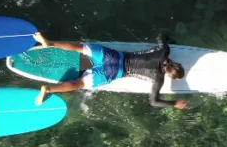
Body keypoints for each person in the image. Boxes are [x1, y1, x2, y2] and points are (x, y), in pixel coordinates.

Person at [32, 32, 189, 109]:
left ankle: (50, 42)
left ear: (175, 64)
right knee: (78, 83)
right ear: (170, 75)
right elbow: (154, 102)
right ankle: (49, 89)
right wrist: (174, 103)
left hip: (112, 57)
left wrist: (170, 40)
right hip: (113, 73)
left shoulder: (164, 51)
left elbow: (161, 35)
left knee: (80, 47)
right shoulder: (158, 79)